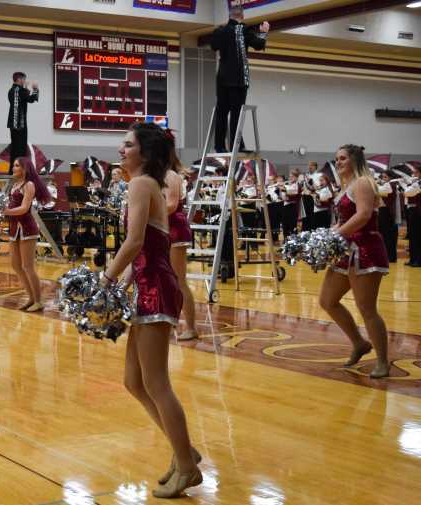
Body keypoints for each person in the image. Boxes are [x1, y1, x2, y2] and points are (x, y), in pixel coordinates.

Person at [102, 123, 202, 499]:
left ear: (145, 152)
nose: (120, 150)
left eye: (127, 145)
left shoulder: (142, 184)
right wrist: (123, 283)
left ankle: (188, 468)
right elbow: (142, 250)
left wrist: (106, 280)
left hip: (157, 289)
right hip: (146, 285)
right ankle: (184, 451)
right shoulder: (144, 183)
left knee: (157, 383)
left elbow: (135, 242)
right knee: (134, 381)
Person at [319, 145, 390, 379]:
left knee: (367, 308)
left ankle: (382, 361)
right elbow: (347, 219)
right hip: (346, 250)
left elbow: (363, 215)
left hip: (365, 249)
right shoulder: (345, 186)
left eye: (342, 158)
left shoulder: (362, 182)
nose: (338, 162)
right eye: (336, 158)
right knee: (327, 301)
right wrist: (330, 232)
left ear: (354, 160)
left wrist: (337, 234)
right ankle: (360, 343)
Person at [210, 6, 269, 154]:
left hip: (222, 77)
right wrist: (263, 32)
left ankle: (219, 146)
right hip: (238, 78)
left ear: (230, 16)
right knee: (237, 113)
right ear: (242, 16)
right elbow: (259, 45)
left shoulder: (220, 31)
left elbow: (213, 45)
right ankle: (237, 145)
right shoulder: (244, 30)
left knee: (222, 111)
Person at [4, 156, 51, 313]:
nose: (13, 168)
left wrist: (7, 211)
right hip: (14, 228)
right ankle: (30, 298)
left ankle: (38, 301)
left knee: (28, 266)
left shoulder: (28, 185)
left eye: (16, 165)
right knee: (16, 265)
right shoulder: (15, 184)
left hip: (26, 227)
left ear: (25, 169)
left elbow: (24, 208)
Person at [164, 143, 198, 341]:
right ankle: (169, 324)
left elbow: (171, 205)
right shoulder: (159, 175)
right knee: (167, 281)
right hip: (164, 228)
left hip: (175, 229)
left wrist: (146, 210)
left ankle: (191, 327)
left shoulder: (170, 175)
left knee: (179, 280)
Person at [7, 72, 39, 172]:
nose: (25, 81)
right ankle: (16, 170)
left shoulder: (14, 90)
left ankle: (16, 170)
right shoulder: (17, 90)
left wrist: (26, 89)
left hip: (17, 124)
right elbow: (31, 99)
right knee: (19, 149)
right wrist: (35, 89)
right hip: (18, 124)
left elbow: (25, 98)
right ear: (19, 80)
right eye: (24, 79)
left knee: (18, 149)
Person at [376, 173, 399, 263]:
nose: (383, 179)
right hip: (383, 211)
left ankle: (390, 256)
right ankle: (386, 255)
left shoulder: (390, 185)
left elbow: (379, 190)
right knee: (383, 234)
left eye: (385, 177)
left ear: (390, 177)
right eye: (383, 177)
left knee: (388, 235)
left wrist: (375, 183)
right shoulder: (387, 185)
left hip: (387, 212)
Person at [403, 167, 421, 267]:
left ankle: (418, 260)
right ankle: (412, 259)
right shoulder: (416, 182)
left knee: (417, 236)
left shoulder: (418, 183)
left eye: (416, 172)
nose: (414, 174)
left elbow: (408, 193)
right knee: (412, 236)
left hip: (418, 212)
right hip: (413, 211)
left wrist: (410, 185)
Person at [282, 169, 301, 237]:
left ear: (296, 177)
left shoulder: (297, 185)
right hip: (285, 206)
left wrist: (283, 187)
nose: (290, 178)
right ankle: (285, 239)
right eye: (290, 176)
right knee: (285, 224)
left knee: (292, 224)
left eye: (292, 176)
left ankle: (293, 240)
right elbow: (283, 195)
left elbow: (293, 193)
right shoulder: (289, 184)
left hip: (292, 206)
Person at [265, 175, 283, 242]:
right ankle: (271, 238)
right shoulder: (267, 187)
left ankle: (275, 238)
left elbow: (276, 197)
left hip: (276, 205)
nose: (269, 181)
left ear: (273, 180)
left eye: (270, 180)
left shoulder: (276, 187)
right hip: (269, 206)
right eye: (268, 180)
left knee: (275, 222)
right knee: (270, 222)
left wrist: (269, 196)